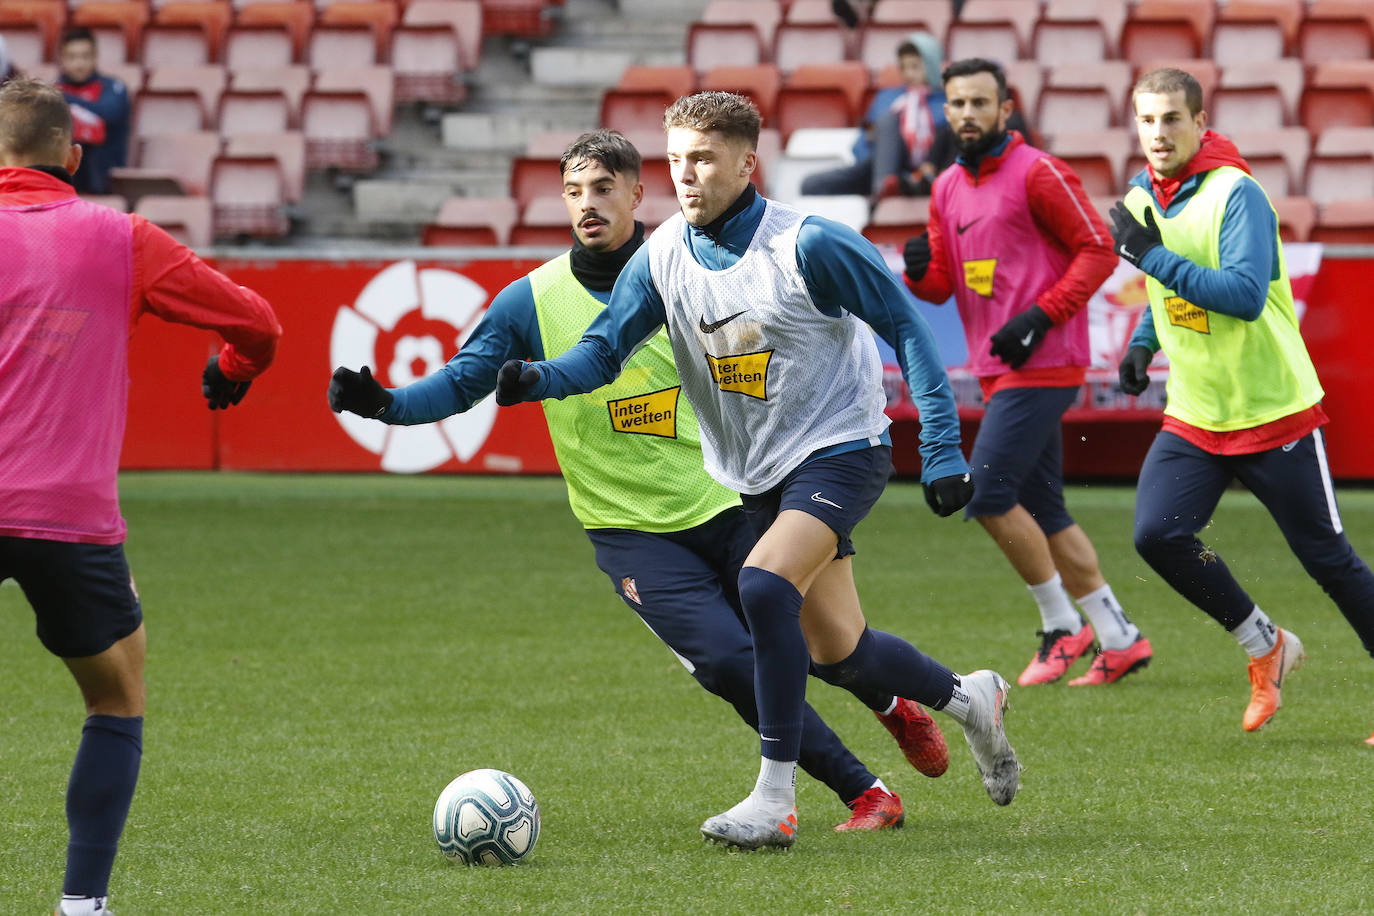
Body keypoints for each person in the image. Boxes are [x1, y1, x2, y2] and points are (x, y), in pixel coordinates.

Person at [329, 128, 951, 833]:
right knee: (728, 662)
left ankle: (895, 704)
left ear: (636, 192)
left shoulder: (682, 269)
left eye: (602, 188)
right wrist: (388, 405)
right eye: (572, 192)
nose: (587, 204)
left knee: (825, 649)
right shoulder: (529, 302)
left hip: (728, 496)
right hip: (630, 531)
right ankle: (863, 791)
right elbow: (461, 383)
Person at [495, 92, 1020, 850]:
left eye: (703, 159)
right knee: (840, 653)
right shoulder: (666, 253)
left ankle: (775, 798)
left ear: (748, 162)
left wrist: (940, 447)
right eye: (676, 160)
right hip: (759, 474)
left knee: (764, 584)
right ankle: (970, 698)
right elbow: (605, 349)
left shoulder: (810, 245)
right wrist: (543, 379)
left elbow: (906, 329)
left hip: (842, 449)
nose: (686, 175)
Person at [0, 79, 282, 916]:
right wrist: (232, 371)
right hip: (68, 521)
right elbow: (259, 325)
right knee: (115, 698)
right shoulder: (121, 237)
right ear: (75, 157)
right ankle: (82, 904)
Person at [1110, 67, 1374, 740]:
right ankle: (1265, 643)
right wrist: (1143, 342)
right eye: (1147, 120)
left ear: (1200, 124)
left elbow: (1242, 294)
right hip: (1197, 414)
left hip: (1273, 409)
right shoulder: (1142, 196)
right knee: (1158, 535)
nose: (1159, 132)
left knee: (1330, 562)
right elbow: (1164, 289)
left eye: (1173, 119)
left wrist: (1150, 257)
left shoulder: (1238, 193)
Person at [902, 58, 1152, 688]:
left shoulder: (1039, 171)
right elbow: (941, 288)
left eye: (978, 104)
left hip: (1046, 362)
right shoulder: (946, 187)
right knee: (1046, 511)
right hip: (998, 367)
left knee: (986, 496)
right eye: (956, 104)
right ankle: (1120, 637)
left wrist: (1041, 318)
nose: (965, 115)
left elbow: (1099, 249)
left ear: (1005, 110)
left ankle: (1063, 625)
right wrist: (915, 270)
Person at [800, 32, 946, 207]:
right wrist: (877, 161)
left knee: (888, 120)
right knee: (812, 185)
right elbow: (863, 140)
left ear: (931, 65)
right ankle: (884, 189)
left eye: (915, 67)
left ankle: (883, 199)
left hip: (930, 173)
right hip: (878, 166)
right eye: (904, 67)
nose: (908, 74)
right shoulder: (887, 97)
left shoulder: (948, 101)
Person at [55, 26, 130, 195]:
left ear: (95, 57)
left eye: (85, 56)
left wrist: (66, 99)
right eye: (72, 57)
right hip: (63, 181)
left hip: (105, 182)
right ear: (62, 59)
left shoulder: (113, 88)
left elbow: (110, 114)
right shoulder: (53, 91)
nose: (79, 64)